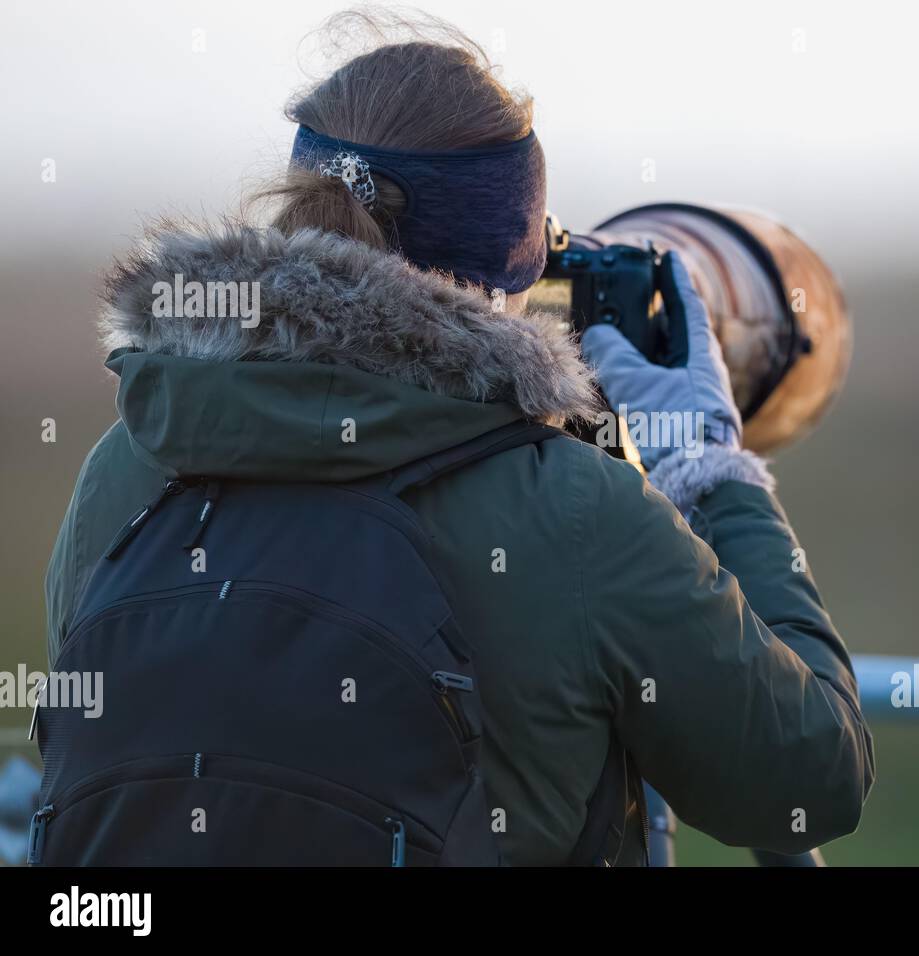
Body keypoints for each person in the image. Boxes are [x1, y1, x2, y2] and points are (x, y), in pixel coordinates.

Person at [43, 11, 872, 866]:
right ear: (512, 270)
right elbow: (813, 779)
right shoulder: (574, 510)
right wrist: (712, 466)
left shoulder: (133, 463)